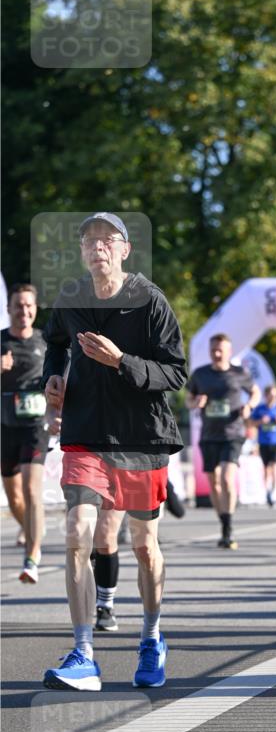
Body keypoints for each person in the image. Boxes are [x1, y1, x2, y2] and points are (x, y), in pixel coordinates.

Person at [42, 211, 187, 691]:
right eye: (89, 240)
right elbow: (56, 344)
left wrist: (122, 362)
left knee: (145, 547)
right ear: (82, 251)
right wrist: (54, 378)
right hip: (85, 433)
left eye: (107, 240)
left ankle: (151, 639)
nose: (97, 247)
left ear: (125, 250)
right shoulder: (69, 298)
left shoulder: (150, 302)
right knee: (77, 535)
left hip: (141, 438)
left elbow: (175, 373)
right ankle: (84, 652)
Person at [186, 333, 260, 549]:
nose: (217, 354)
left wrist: (250, 406)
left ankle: (228, 528)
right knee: (213, 481)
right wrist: (195, 402)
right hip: (209, 434)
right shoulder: (200, 374)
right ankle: (224, 521)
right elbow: (189, 399)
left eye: (220, 350)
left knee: (227, 478)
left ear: (229, 351)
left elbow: (254, 392)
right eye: (213, 350)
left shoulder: (239, 373)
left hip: (233, 433)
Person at [1, 283, 49, 582]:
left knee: (32, 490)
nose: (24, 311)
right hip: (5, 426)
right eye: (18, 305)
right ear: (9, 310)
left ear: (35, 309)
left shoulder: (46, 343)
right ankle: (31, 529)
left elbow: (62, 380)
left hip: (36, 425)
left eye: (29, 306)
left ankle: (32, 556)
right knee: (15, 497)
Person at [251, 384, 276, 505]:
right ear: (266, 396)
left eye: (275, 395)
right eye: (270, 395)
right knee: (266, 467)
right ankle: (267, 491)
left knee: (273, 466)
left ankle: (273, 491)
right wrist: (261, 421)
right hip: (263, 442)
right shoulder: (260, 409)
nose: (272, 397)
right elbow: (251, 422)